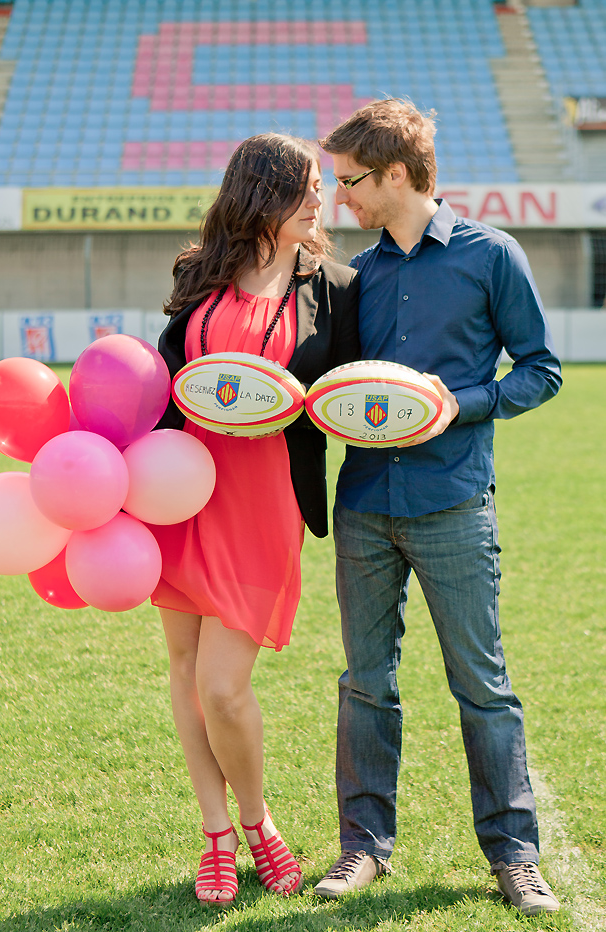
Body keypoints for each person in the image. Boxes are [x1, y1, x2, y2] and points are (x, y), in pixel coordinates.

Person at [313, 99, 563, 918]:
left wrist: (461, 405)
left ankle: (514, 856)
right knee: (365, 685)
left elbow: (540, 368)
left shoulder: (492, 257)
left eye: (350, 181)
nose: (339, 196)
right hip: (362, 505)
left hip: (454, 502)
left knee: (481, 687)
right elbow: (336, 387)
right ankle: (361, 849)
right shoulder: (358, 274)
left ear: (394, 174)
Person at [151, 133, 359, 906]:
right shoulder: (195, 272)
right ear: (262, 192)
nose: (320, 198)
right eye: (306, 186)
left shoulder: (335, 285)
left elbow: (347, 395)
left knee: (223, 687)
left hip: (265, 498)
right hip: (182, 492)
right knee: (184, 672)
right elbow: (166, 382)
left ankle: (257, 821)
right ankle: (214, 833)